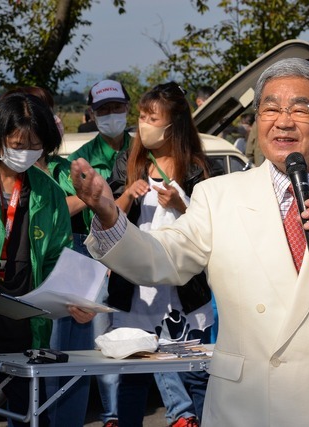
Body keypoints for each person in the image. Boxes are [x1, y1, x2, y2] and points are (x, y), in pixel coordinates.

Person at [71, 57, 309, 426]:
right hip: (247, 405)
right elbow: (161, 258)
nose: (283, 120)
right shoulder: (218, 195)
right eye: (270, 108)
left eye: (300, 108)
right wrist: (108, 216)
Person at [0, 93, 93, 427]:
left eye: (35, 145)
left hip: (26, 333)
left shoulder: (50, 192)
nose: (25, 152)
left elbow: (57, 259)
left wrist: (76, 298)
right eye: (16, 143)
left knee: (32, 420)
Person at [107, 82, 219, 427]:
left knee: (195, 374)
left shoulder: (196, 167)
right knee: (133, 375)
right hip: (135, 290)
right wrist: (128, 195)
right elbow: (107, 219)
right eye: (141, 116)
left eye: (151, 117)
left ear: (174, 124)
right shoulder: (129, 161)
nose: (143, 124)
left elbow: (211, 227)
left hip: (183, 291)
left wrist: (181, 204)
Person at [59, 79, 132, 427]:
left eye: (116, 107)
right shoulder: (79, 160)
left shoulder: (143, 151)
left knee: (140, 332)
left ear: (128, 108)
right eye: (103, 110)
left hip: (141, 255)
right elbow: (63, 211)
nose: (111, 115)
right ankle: (111, 413)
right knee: (102, 335)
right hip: (97, 259)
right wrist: (92, 198)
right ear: (92, 113)